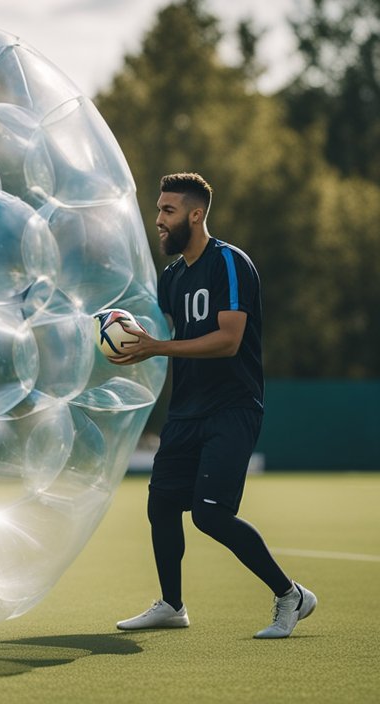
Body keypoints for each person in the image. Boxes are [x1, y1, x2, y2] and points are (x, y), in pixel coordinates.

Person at [112, 172, 316, 640]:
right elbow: (156, 337)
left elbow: (228, 340)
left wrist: (155, 347)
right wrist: (119, 341)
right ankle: (172, 605)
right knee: (161, 505)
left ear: (196, 213)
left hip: (232, 407)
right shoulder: (171, 277)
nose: (158, 220)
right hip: (186, 411)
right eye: (158, 209)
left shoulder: (229, 263)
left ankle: (291, 596)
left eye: (168, 211)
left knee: (209, 515)